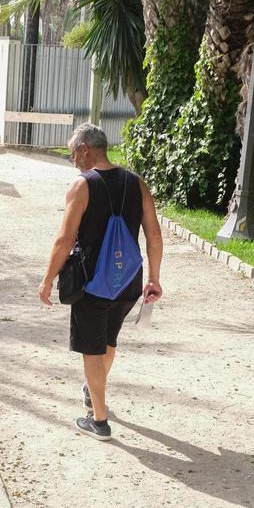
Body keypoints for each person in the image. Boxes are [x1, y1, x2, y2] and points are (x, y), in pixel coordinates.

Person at [37, 123, 164, 440]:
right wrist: (155, 279)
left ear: (84, 150)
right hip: (128, 282)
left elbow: (64, 239)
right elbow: (154, 235)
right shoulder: (137, 183)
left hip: (91, 282)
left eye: (71, 154)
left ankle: (99, 421)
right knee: (108, 341)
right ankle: (93, 392)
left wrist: (47, 279)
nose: (73, 161)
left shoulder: (82, 186)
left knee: (92, 349)